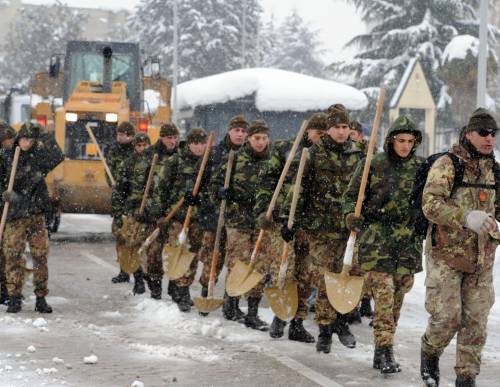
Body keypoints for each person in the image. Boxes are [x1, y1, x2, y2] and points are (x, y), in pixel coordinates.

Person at [420, 108, 499, 387]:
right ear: (468, 133)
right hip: (447, 256)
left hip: (481, 260)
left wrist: (496, 227)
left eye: (493, 133)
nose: (489, 138)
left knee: (475, 323)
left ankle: (466, 378)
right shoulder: (448, 164)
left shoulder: (494, 170)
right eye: (483, 133)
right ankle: (429, 351)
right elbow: (430, 205)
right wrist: (464, 217)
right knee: (447, 318)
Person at [343, 115, 423, 373]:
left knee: (397, 300)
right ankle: (383, 350)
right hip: (378, 241)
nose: (405, 146)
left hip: (407, 244)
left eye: (410, 141)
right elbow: (350, 198)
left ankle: (384, 349)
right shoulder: (373, 165)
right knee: (384, 299)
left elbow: (430, 201)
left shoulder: (421, 168)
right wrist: (352, 216)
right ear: (391, 140)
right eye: (401, 140)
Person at [283, 107, 362, 353]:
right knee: (326, 277)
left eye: (345, 127)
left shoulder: (359, 155)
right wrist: (290, 219)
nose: (341, 132)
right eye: (336, 127)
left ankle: (342, 320)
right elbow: (298, 190)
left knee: (349, 275)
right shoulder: (314, 154)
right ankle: (326, 329)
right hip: (321, 227)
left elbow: (365, 188)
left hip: (349, 228)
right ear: (328, 130)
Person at [256, 112, 328, 342]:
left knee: (307, 275)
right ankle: (280, 315)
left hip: (311, 224)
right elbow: (267, 180)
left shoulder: (327, 157)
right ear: (308, 131)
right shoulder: (286, 149)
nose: (321, 138)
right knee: (284, 269)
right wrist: (267, 211)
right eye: (318, 133)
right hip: (283, 220)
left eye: (325, 134)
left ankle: (297, 322)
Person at [211, 119, 271, 330]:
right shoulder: (234, 159)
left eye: (264, 138)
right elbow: (215, 185)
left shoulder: (272, 161)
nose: (261, 142)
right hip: (238, 220)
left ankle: (253, 312)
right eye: (256, 138)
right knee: (238, 262)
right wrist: (220, 193)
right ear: (249, 138)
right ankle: (232, 303)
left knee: (260, 265)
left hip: (262, 222)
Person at [0, 122, 64, 313]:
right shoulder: (6, 157)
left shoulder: (38, 158)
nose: (27, 143)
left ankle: (41, 297)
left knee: (40, 256)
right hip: (15, 216)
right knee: (13, 256)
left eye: (31, 139)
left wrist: (43, 133)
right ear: (18, 139)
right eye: (25, 139)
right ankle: (14, 297)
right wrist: (6, 195)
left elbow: (57, 155)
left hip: (35, 214)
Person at [151, 128, 209, 311]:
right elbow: (161, 188)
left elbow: (212, 189)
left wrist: (201, 198)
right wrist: (160, 214)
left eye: (202, 143)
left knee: (191, 255)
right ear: (189, 143)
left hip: (197, 217)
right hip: (176, 217)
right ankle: (180, 291)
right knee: (177, 251)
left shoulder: (207, 164)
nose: (199, 147)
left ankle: (181, 287)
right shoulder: (175, 161)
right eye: (196, 143)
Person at [197, 115, 248, 315]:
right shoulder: (216, 153)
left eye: (244, 132)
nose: (240, 135)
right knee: (213, 256)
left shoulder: (247, 155)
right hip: (214, 214)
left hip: (237, 217)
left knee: (236, 260)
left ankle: (231, 302)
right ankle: (206, 292)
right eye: (237, 130)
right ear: (230, 131)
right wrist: (215, 193)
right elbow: (199, 178)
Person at [118, 132, 157, 297]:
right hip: (135, 209)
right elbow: (121, 189)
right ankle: (138, 279)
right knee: (134, 244)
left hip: (152, 210)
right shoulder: (128, 163)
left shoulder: (156, 161)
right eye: (138, 145)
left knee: (152, 247)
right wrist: (123, 207)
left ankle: (152, 279)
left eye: (144, 145)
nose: (142, 148)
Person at [107, 122, 135, 284]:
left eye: (123, 134)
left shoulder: (136, 150)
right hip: (119, 199)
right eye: (118, 134)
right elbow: (108, 170)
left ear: (130, 135)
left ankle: (138, 270)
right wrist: (114, 184)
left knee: (134, 236)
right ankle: (124, 270)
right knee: (120, 235)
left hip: (133, 199)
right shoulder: (114, 151)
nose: (119, 137)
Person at [0, 122, 16, 305]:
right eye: (9, 139)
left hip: (4, 209)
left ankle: (4, 290)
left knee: (5, 253)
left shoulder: (9, 156)